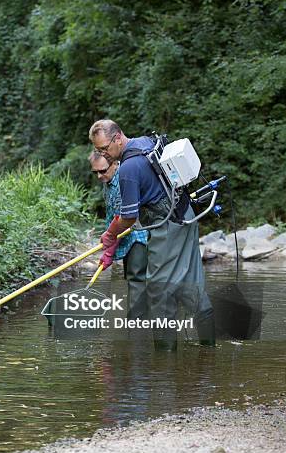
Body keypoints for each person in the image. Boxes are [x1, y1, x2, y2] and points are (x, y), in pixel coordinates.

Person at [89, 119, 215, 350]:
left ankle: (164, 362)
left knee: (159, 290)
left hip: (166, 225)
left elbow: (127, 217)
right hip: (186, 215)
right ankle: (209, 348)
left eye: (105, 148)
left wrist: (109, 235)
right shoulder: (145, 142)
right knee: (191, 282)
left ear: (118, 137)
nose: (104, 155)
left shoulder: (127, 169)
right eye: (99, 151)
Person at [89, 150, 148, 320]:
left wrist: (109, 251)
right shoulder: (107, 184)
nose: (99, 176)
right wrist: (108, 241)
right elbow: (111, 217)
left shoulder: (123, 181)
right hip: (124, 235)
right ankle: (136, 320)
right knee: (130, 278)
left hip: (138, 234)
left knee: (136, 278)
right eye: (95, 172)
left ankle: (136, 325)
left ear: (115, 163)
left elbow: (123, 219)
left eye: (103, 171)